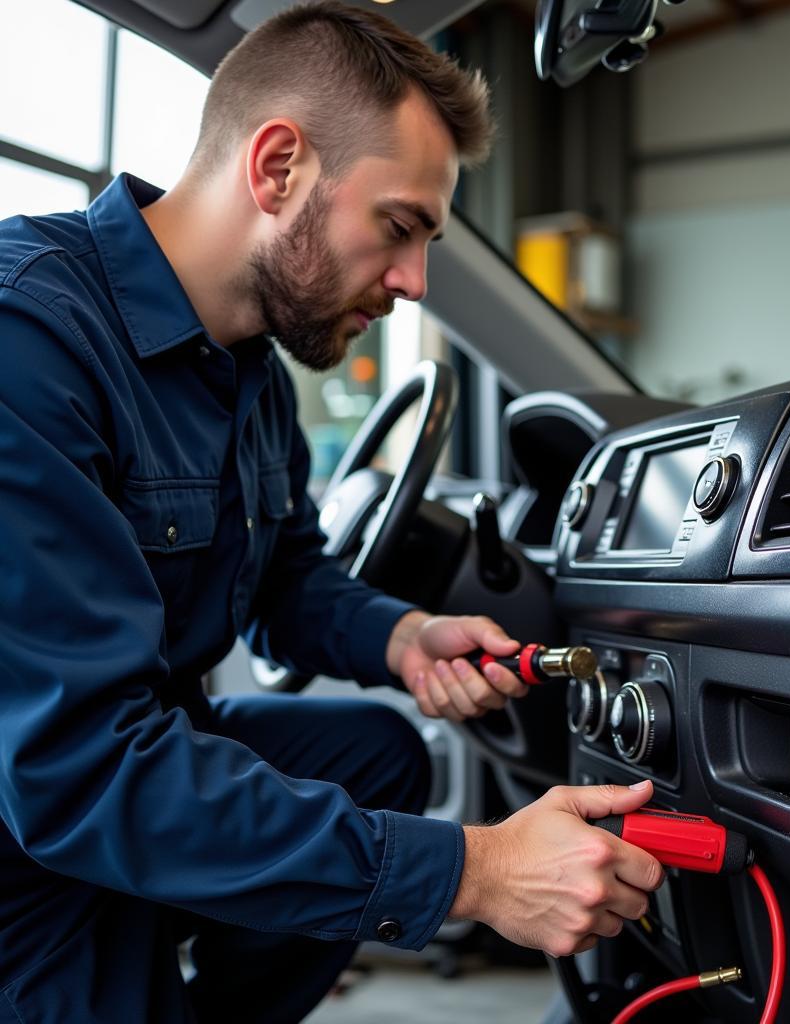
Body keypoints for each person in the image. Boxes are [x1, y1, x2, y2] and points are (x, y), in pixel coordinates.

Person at [0, 3, 664, 1022]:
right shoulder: (30, 340)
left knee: (379, 754)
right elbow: (77, 768)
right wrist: (472, 872)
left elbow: (288, 584)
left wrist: (402, 636)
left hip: (131, 752)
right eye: (399, 227)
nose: (411, 280)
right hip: (34, 828)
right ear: (277, 169)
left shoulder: (254, 372)